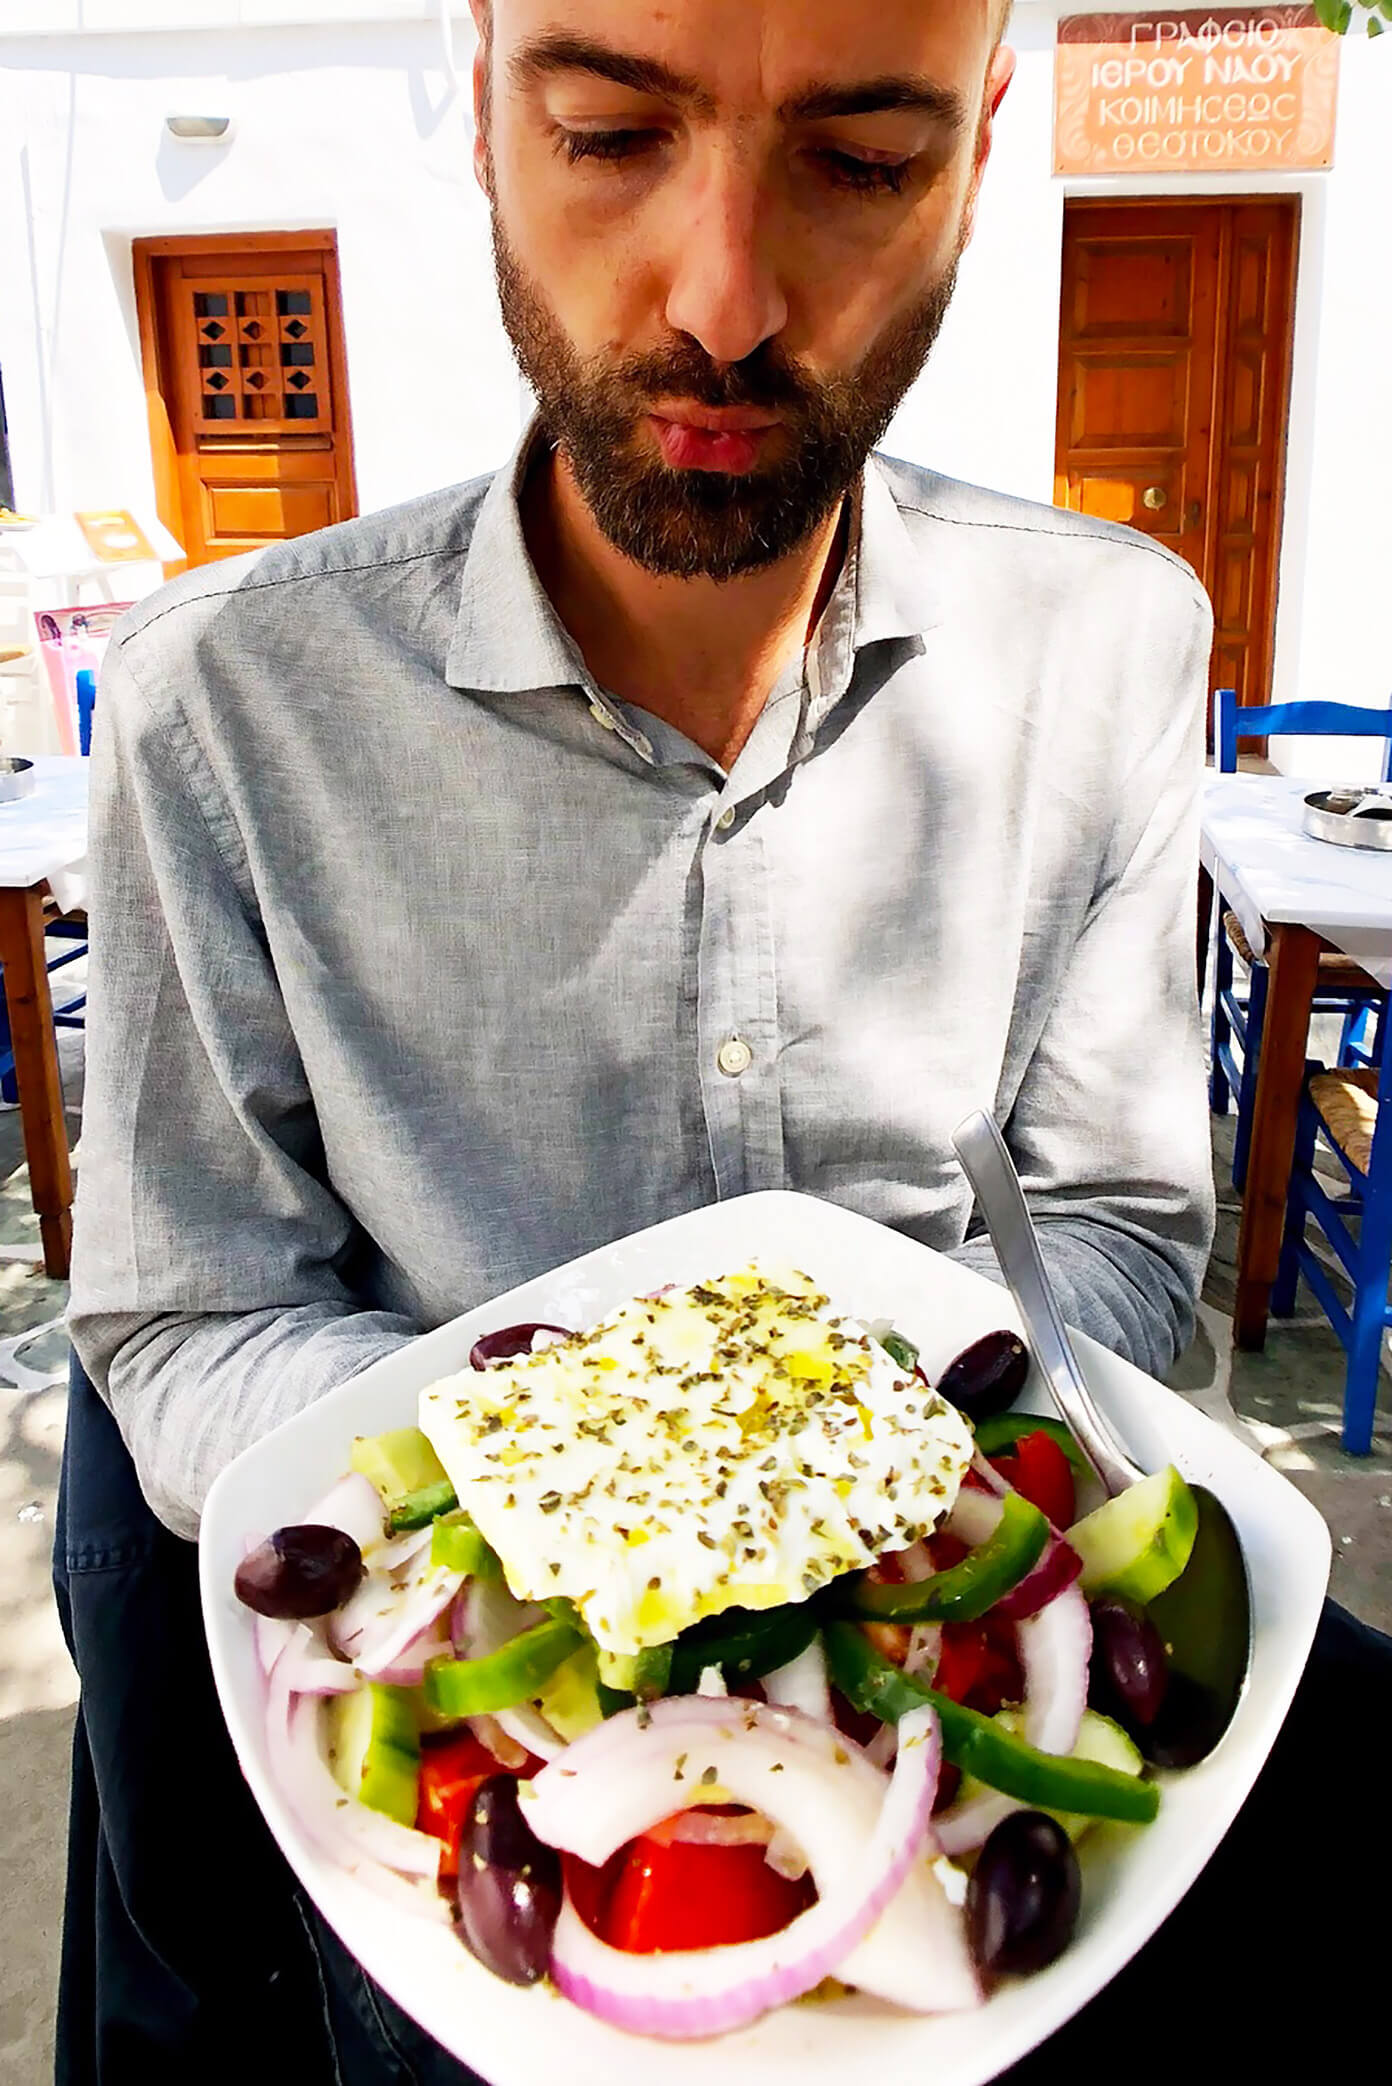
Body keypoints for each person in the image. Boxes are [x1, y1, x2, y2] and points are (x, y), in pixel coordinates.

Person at [54, 2, 1384, 2081]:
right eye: (606, 132)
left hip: (964, 1660)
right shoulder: (226, 706)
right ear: (478, 90)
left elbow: (1118, 1230)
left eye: (862, 161)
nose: (728, 303)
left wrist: (903, 1508)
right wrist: (576, 1512)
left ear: (984, 135)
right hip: (479, 1722)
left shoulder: (1113, 639)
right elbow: (186, 1315)